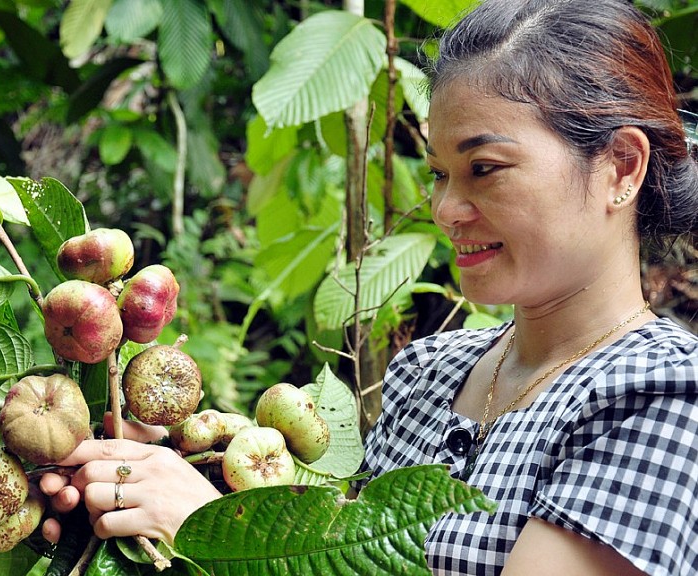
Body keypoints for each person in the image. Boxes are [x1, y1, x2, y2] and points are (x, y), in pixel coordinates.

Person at [40, 0, 698, 573]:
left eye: (484, 168)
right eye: (439, 173)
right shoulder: (428, 373)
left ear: (620, 166)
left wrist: (210, 530)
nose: (444, 209)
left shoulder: (663, 400)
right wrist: (152, 479)